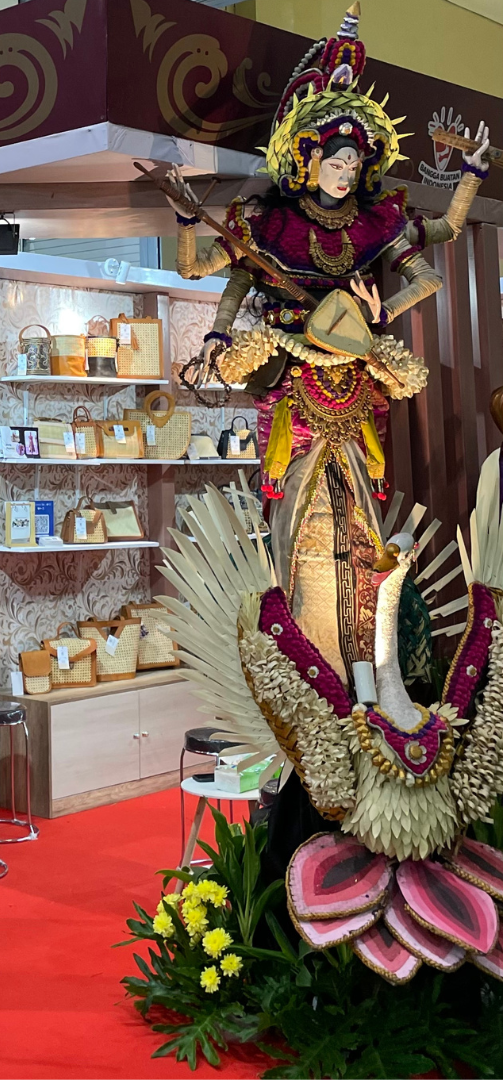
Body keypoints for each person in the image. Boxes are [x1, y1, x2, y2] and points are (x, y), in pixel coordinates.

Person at [166, 1, 489, 686]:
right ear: (308, 158)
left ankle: (367, 660)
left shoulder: (374, 221)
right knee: (295, 502)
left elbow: (439, 250)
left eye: (353, 161)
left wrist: (470, 180)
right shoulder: (268, 223)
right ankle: (305, 657)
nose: (345, 171)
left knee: (363, 507)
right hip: (291, 374)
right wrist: (188, 228)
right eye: (335, 159)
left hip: (358, 374)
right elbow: (203, 271)